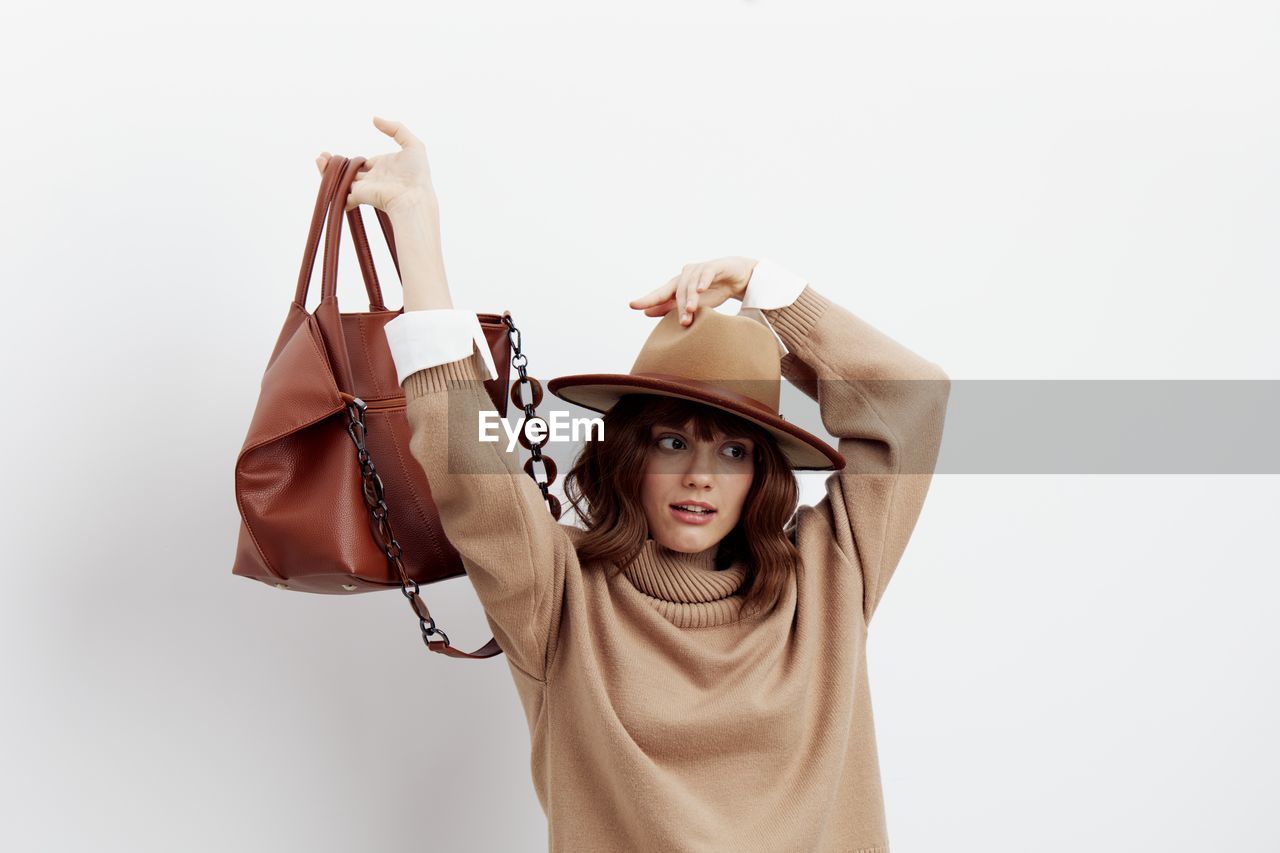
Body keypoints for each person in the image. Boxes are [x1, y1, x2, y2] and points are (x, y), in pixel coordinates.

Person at [317, 116, 950, 853]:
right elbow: (470, 462)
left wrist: (762, 285)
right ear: (629, 456)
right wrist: (418, 231)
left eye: (734, 452)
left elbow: (913, 401)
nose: (699, 477)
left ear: (760, 475)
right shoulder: (562, 599)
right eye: (672, 441)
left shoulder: (827, 582)